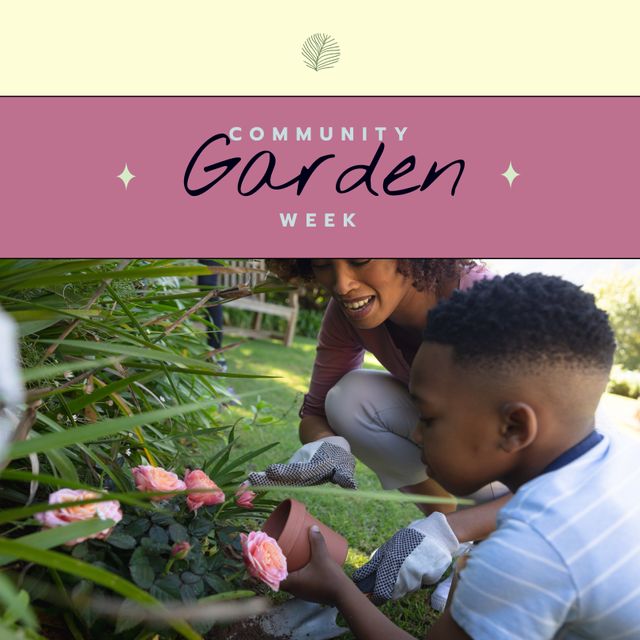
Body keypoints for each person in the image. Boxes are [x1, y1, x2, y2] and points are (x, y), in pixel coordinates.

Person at [282, 273, 640, 639]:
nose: (416, 434)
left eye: (429, 418)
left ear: (514, 427)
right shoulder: (625, 458)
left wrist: (339, 591)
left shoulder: (527, 553)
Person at [249, 259, 511, 606]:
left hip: (515, 459)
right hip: (450, 431)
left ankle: (486, 547)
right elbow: (314, 413)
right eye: (324, 265)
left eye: (360, 259)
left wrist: (447, 534)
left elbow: (560, 479)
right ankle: (453, 518)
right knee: (347, 399)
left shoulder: (487, 304)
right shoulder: (348, 310)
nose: (341, 285)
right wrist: (328, 445)